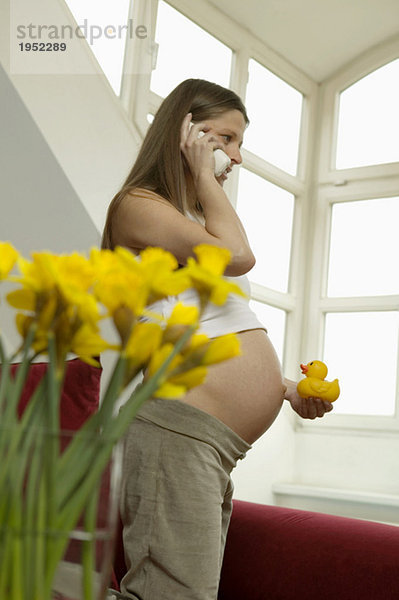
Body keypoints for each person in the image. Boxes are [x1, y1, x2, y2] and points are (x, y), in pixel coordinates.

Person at [102, 79, 332, 600]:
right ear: (187, 133)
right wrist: (208, 177)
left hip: (209, 444)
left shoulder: (197, 221)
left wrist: (285, 388)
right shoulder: (138, 205)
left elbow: (214, 325)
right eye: (226, 139)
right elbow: (236, 258)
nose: (237, 157)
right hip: (177, 432)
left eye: (240, 144)